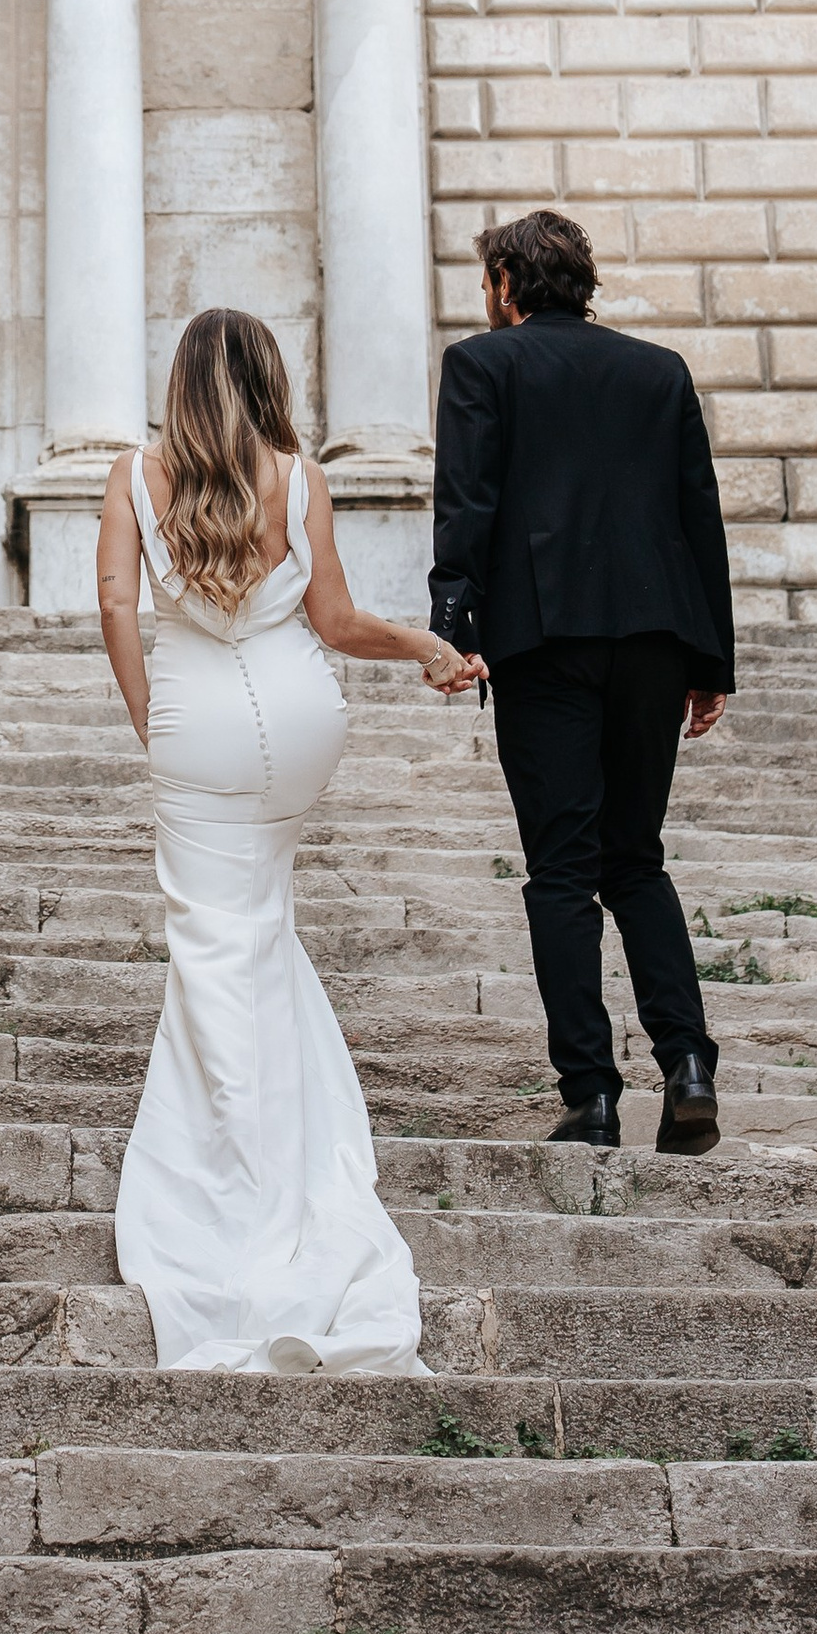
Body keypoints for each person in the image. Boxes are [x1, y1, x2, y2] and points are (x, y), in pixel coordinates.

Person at [95, 304, 476, 1375]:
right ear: (266, 376)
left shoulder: (135, 474)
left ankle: (239, 1179)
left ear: (179, 381)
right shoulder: (297, 473)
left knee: (215, 942)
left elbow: (117, 604)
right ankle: (288, 1140)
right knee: (255, 926)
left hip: (199, 723)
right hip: (300, 723)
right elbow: (340, 622)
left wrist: (147, 713)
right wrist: (424, 647)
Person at [429, 207, 734, 1155]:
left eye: (488, 284)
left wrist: (451, 624)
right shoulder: (659, 371)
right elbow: (699, 517)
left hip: (542, 642)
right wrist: (711, 660)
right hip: (653, 640)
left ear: (508, 285)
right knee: (634, 858)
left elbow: (467, 503)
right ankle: (687, 1066)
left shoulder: (482, 367)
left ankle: (591, 1096)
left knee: (562, 871)